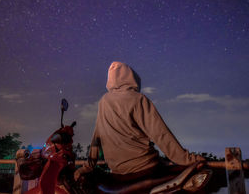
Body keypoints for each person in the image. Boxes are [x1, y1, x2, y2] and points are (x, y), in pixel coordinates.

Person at [74, 61, 204, 181]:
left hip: (118, 171)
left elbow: (96, 138)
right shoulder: (138, 99)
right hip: (145, 166)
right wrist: (186, 159)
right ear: (130, 77)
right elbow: (160, 134)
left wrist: (88, 166)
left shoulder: (104, 102)